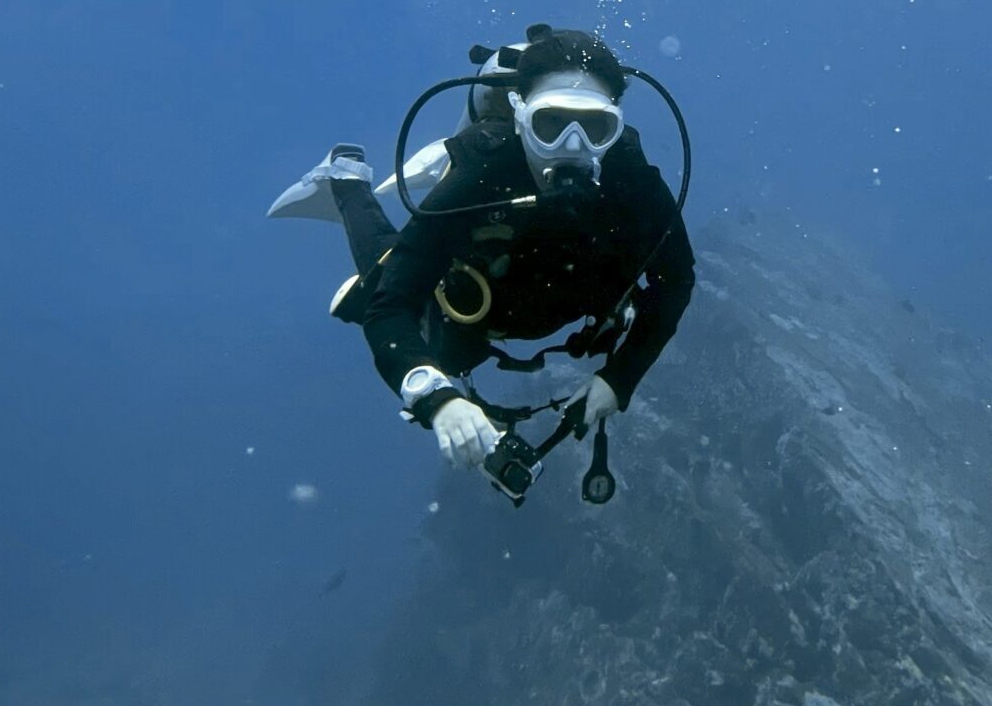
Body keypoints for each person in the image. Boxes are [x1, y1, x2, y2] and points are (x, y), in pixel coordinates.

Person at [269, 25, 694, 479]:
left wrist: (620, 378)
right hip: (475, 307)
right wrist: (436, 398)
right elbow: (391, 305)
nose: (574, 147)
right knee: (398, 294)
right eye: (550, 124)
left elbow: (677, 279)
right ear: (519, 113)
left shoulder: (634, 182)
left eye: (595, 128)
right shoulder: (482, 175)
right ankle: (346, 181)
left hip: (552, 304)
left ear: (616, 124)